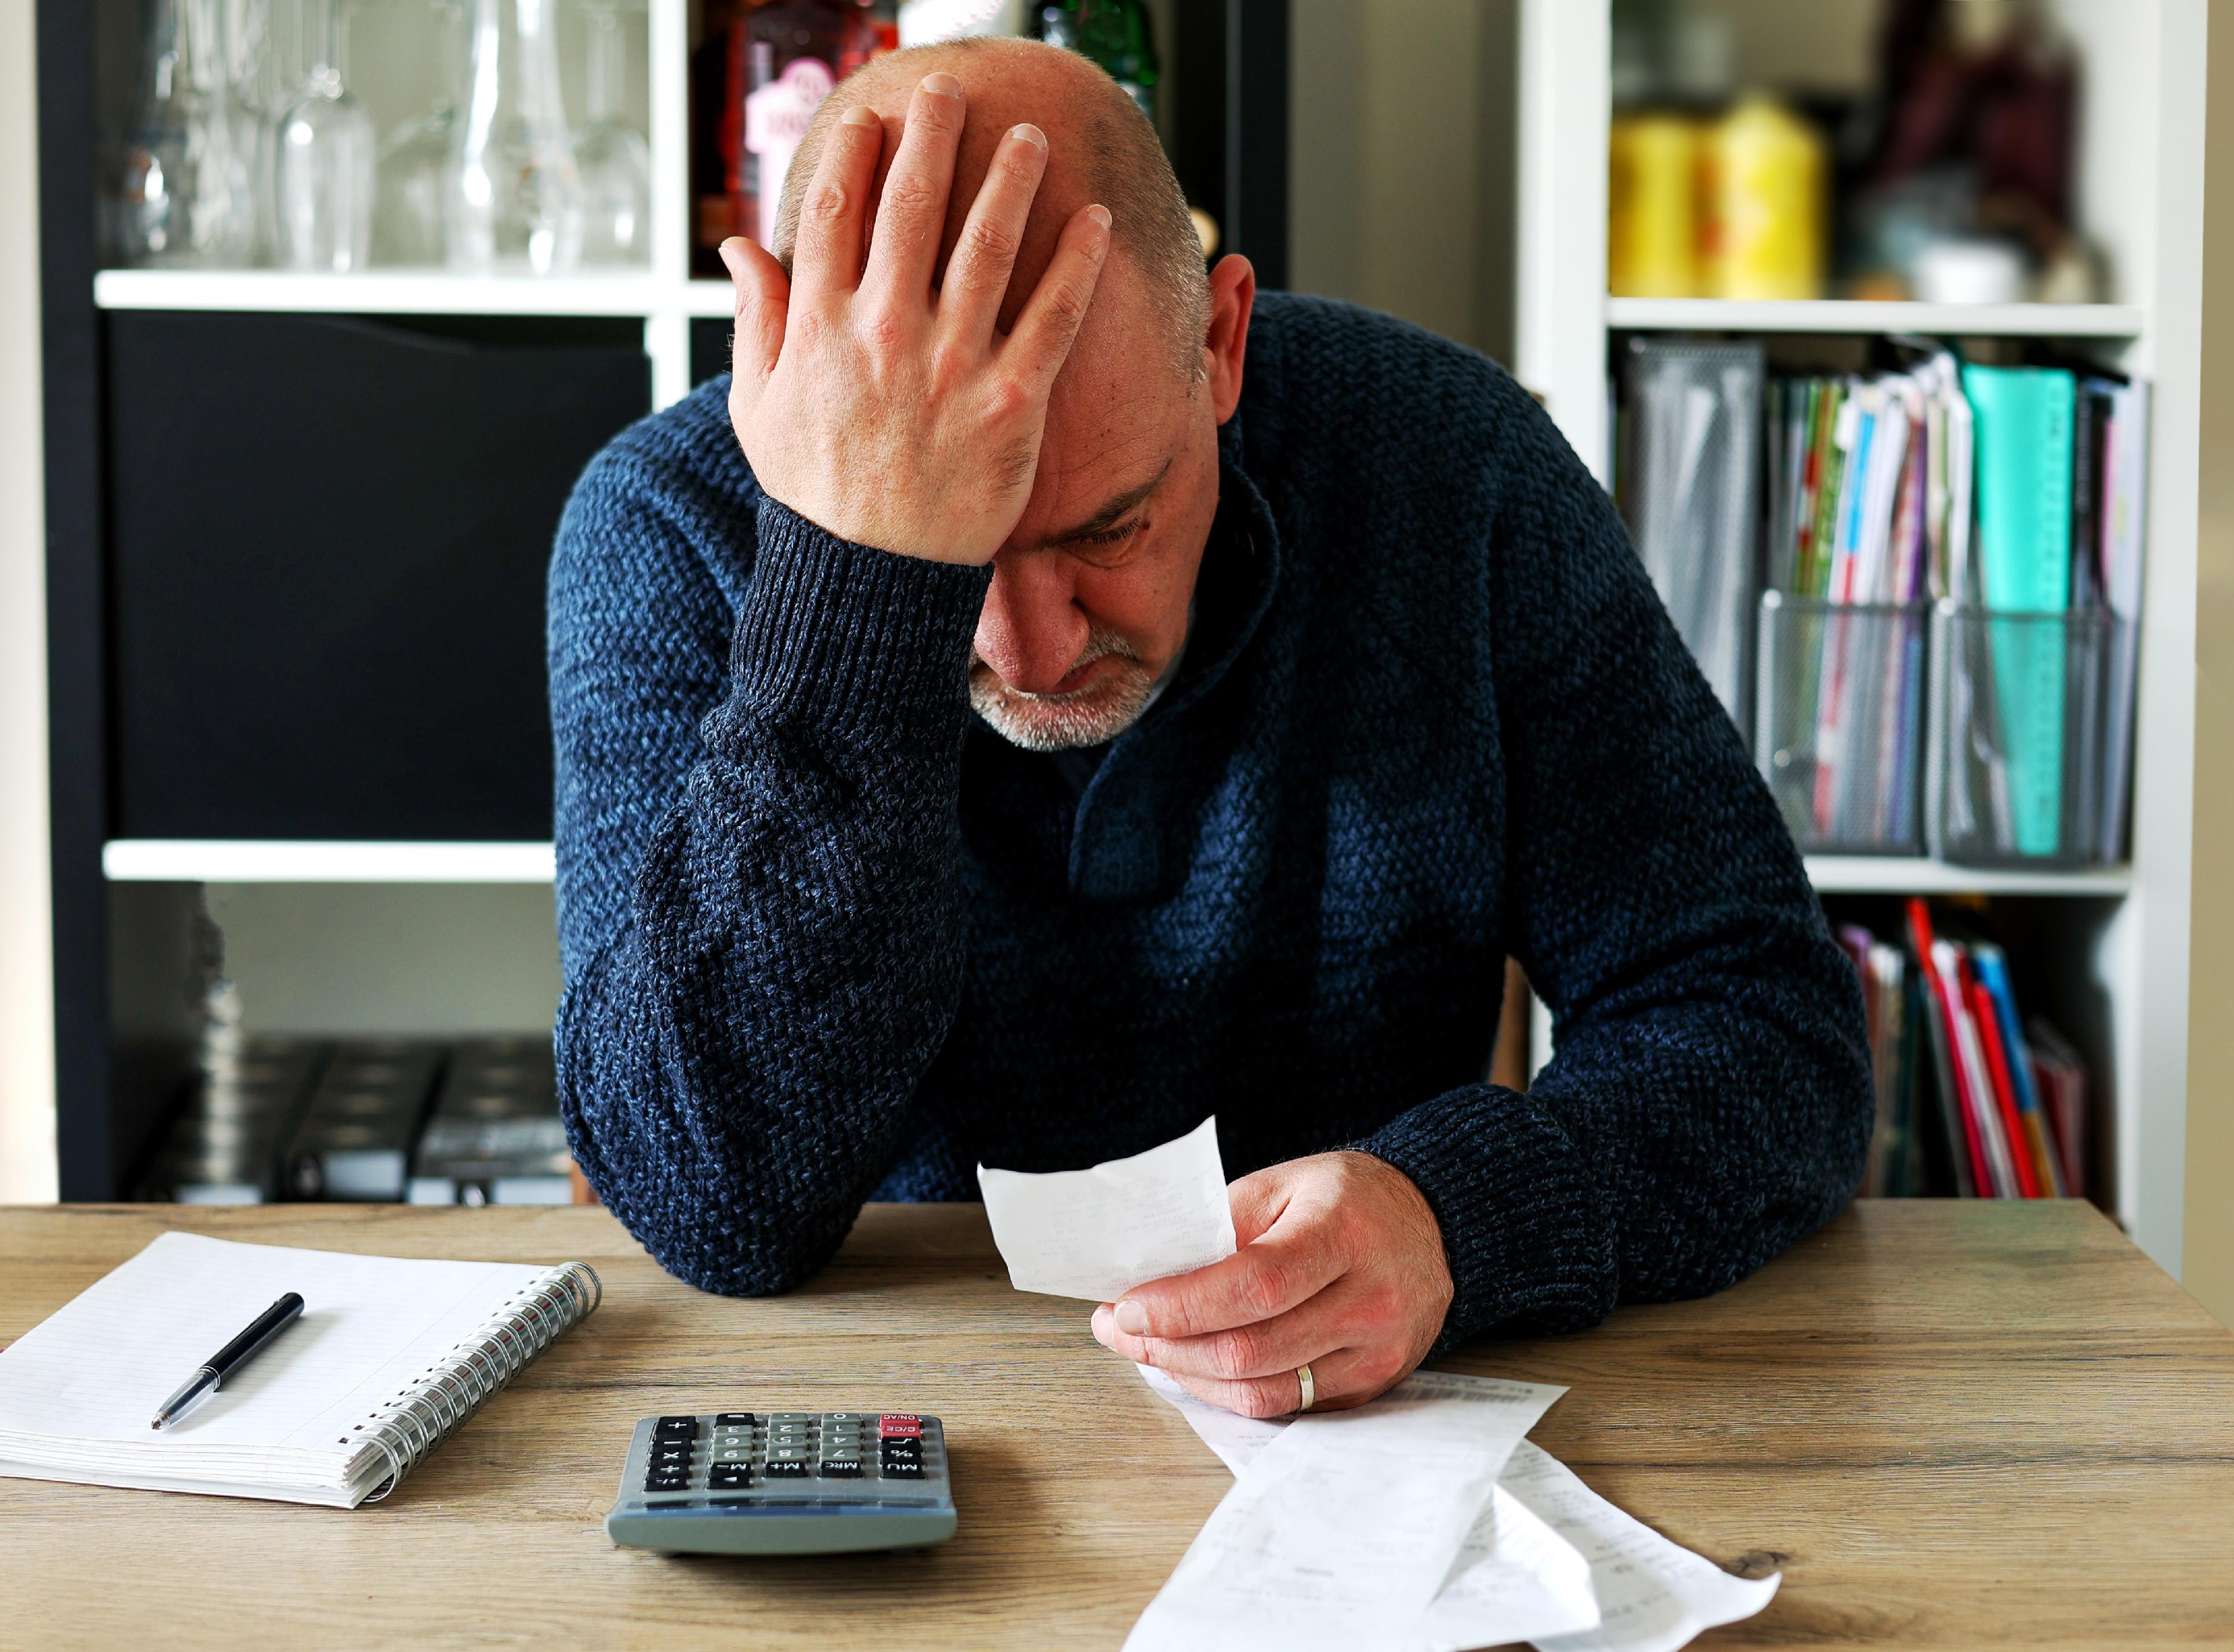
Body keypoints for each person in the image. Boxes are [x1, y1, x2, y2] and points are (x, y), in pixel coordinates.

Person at [548, 37, 1872, 1421]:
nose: (1033, 648)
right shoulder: (666, 526)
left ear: (1221, 342)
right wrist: (854, 583)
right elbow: (711, 1204)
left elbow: (1765, 1031)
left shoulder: (1447, 468)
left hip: (1370, 1425)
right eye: (963, 569)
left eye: (1108, 526)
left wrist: (1455, 1223)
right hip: (880, 1426)